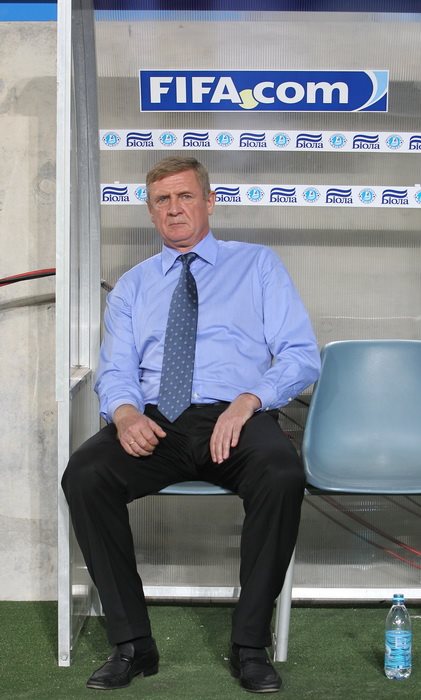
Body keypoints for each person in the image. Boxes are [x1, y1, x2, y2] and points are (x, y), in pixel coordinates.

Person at [62, 156, 320, 693]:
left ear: (209, 201)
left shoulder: (257, 265)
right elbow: (117, 369)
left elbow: (300, 355)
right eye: (163, 199)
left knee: (281, 475)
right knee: (85, 474)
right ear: (151, 211)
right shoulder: (134, 285)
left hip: (236, 415)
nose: (174, 208)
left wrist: (250, 399)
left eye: (185, 196)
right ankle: (133, 645)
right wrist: (125, 413)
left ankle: (250, 646)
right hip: (158, 419)